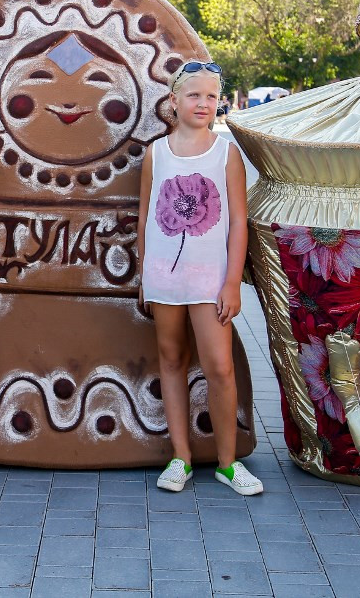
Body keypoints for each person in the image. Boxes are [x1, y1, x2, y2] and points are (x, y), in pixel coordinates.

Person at [137, 60, 263, 496]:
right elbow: (146, 217)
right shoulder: (157, 153)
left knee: (220, 367)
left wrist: (232, 281)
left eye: (211, 96)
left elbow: (239, 223)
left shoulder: (226, 154)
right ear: (174, 101)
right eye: (194, 95)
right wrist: (144, 272)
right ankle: (181, 457)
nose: (204, 103)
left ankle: (228, 463)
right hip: (165, 278)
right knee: (171, 361)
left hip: (210, 281)